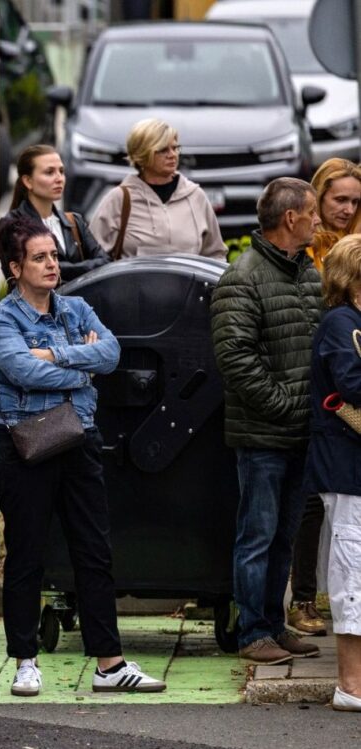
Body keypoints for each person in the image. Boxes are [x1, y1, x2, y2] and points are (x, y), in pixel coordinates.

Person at [0, 214, 166, 697]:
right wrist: (80, 368)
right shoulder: (1, 320)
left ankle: (110, 664)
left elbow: (110, 355)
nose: (52, 265)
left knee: (94, 551)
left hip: (79, 438)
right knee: (27, 553)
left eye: (53, 255)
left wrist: (55, 356)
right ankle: (25, 661)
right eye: (39, 258)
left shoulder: (77, 308)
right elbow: (23, 372)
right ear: (15, 268)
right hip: (24, 443)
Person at [211, 177, 324, 666]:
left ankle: (274, 626)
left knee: (283, 536)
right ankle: (253, 633)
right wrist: (287, 406)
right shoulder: (242, 278)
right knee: (257, 536)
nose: (318, 221)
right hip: (263, 435)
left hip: (301, 433)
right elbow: (236, 360)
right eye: (312, 212)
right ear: (290, 218)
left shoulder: (309, 273)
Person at [288, 159, 361, 637]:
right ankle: (303, 598)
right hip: (313, 389)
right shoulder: (309, 254)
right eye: (340, 199)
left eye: (356, 201)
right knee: (315, 507)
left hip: (332, 390)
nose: (348, 208)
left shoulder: (354, 245)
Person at [305, 234, 361, 710]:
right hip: (346, 466)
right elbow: (352, 383)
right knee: (352, 572)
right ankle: (350, 685)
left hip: (351, 465)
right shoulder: (341, 322)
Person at [90, 119, 225, 261]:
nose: (172, 155)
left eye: (175, 148)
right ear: (142, 154)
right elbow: (93, 258)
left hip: (190, 277)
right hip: (133, 277)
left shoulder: (196, 196)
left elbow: (216, 255)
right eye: (163, 150)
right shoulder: (119, 199)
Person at [9, 144, 110, 284]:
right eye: (49, 172)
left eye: (61, 171)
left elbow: (105, 262)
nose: (59, 179)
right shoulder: (13, 225)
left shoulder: (74, 221)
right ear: (28, 181)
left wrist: (62, 269)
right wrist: (84, 270)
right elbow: (29, 271)